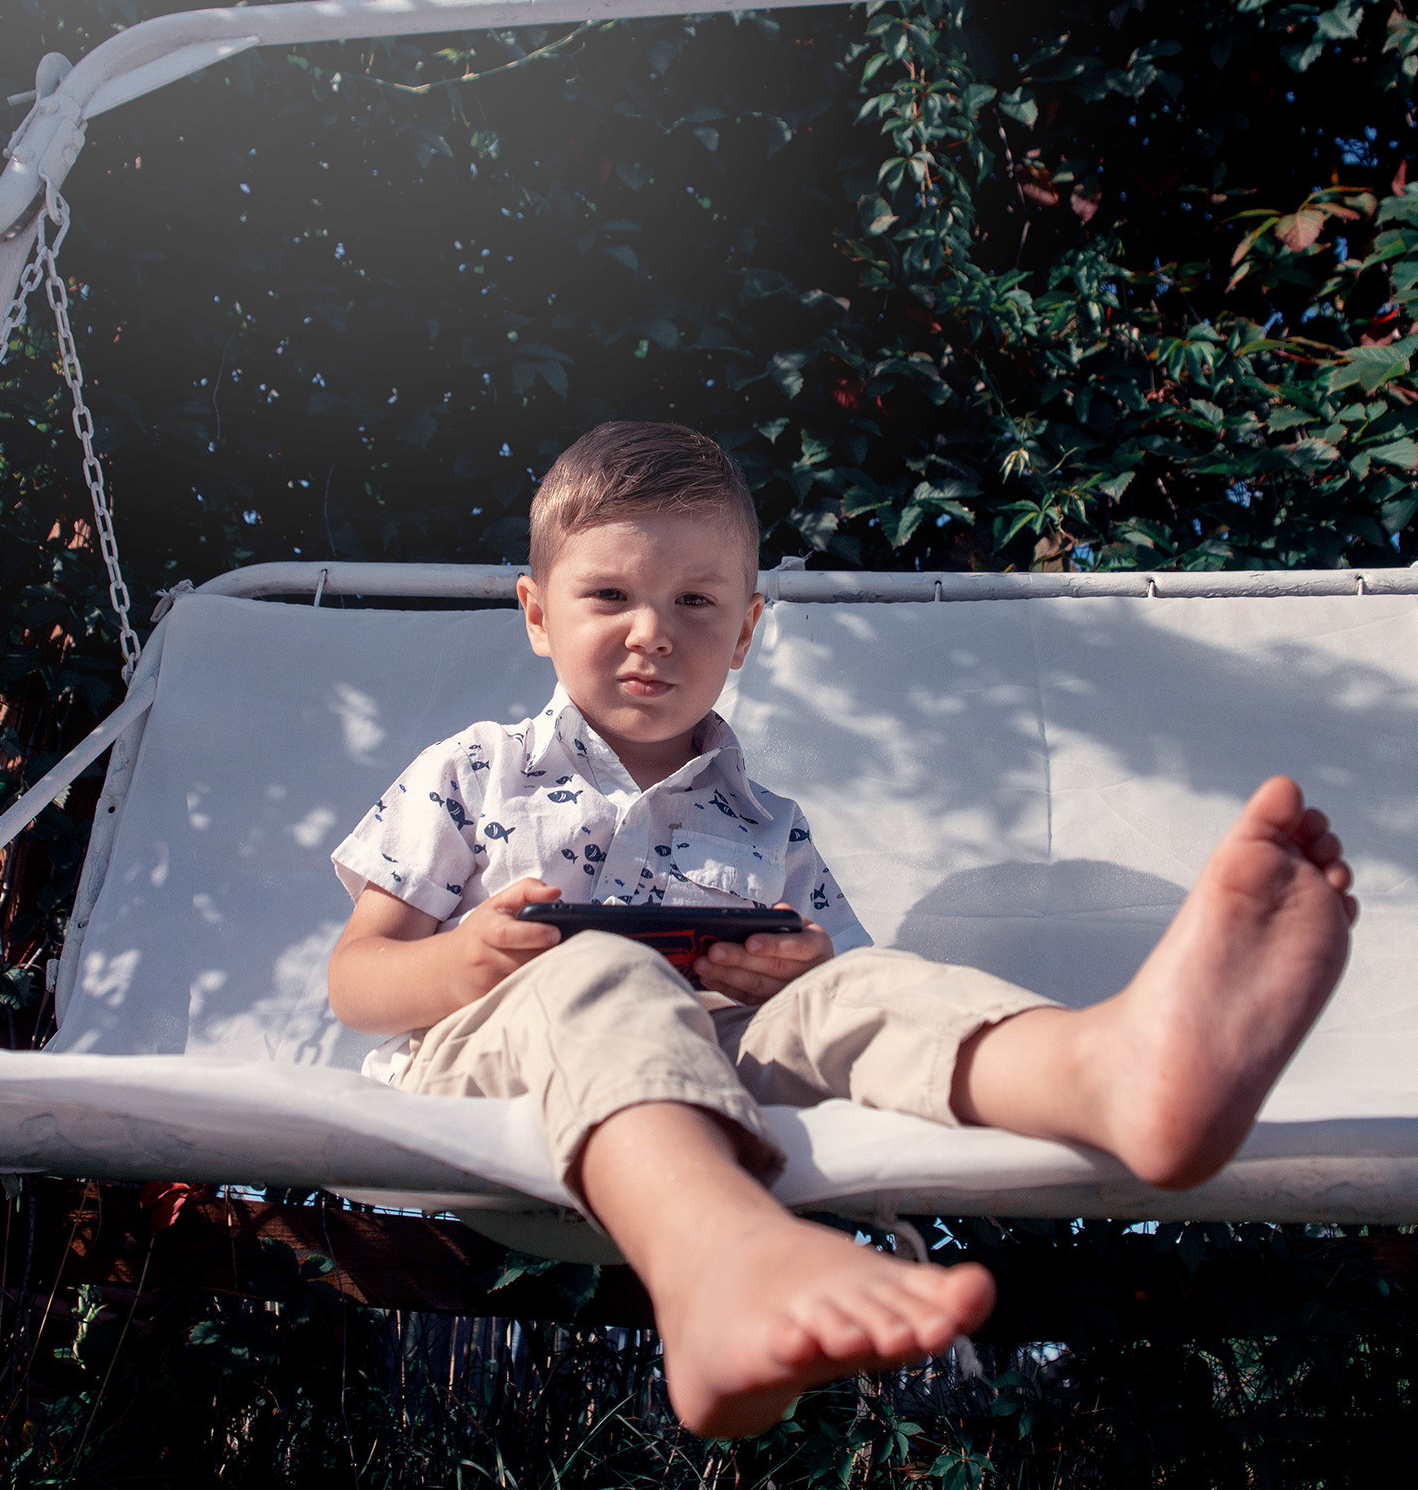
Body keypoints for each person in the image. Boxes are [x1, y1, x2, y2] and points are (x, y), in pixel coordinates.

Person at [327, 421, 1356, 1438]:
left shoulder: (766, 820)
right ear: (537, 614)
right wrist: (463, 958)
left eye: (695, 602)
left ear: (744, 632)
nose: (653, 630)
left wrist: (794, 969)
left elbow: (847, 983)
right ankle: (715, 1258)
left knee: (861, 984)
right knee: (593, 968)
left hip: (718, 1056)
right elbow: (356, 980)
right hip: (493, 1060)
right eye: (609, 595)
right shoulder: (471, 770)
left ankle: (1100, 1070)